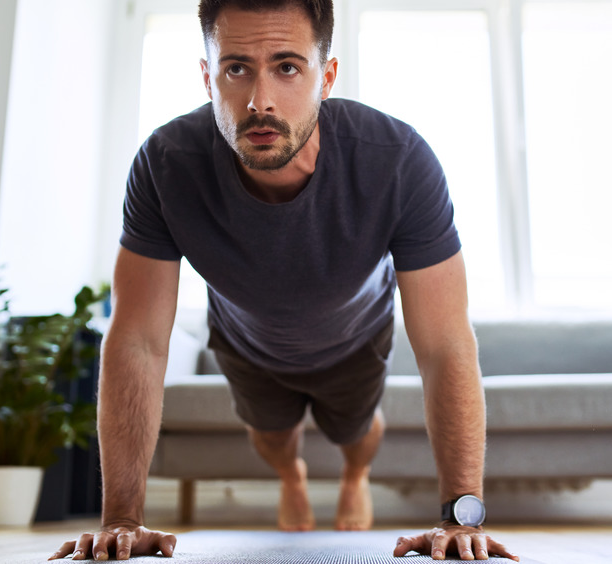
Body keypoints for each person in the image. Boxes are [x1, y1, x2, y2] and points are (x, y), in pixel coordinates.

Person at [50, 0, 519, 561]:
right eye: (237, 68)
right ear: (207, 77)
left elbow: (445, 346)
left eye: (288, 67)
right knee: (272, 440)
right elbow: (138, 341)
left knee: (355, 434)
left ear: (327, 77)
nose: (259, 101)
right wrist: (120, 520)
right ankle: (292, 476)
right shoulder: (164, 165)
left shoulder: (399, 162)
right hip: (247, 343)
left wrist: (460, 514)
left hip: (354, 338)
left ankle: (353, 474)